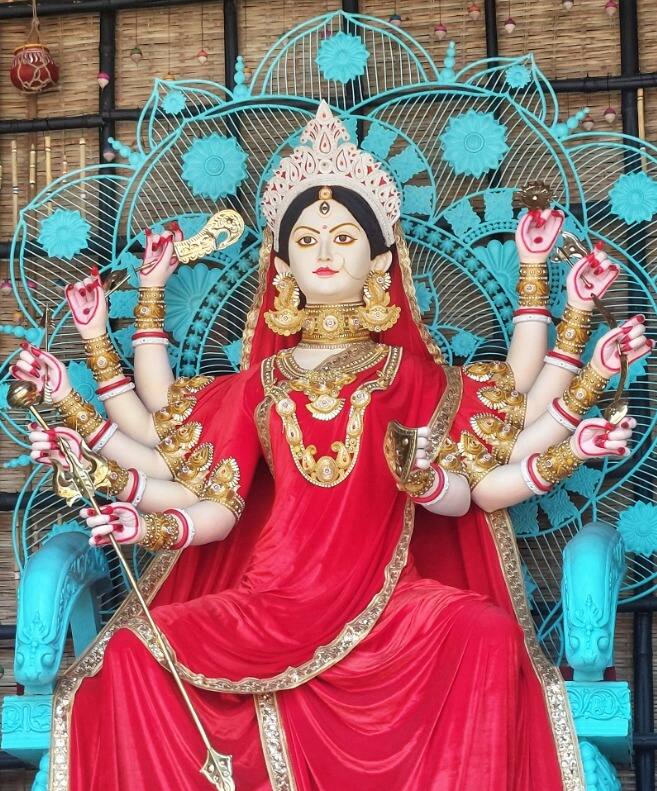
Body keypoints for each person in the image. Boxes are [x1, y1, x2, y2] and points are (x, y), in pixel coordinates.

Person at [13, 103, 651, 790]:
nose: (323, 252)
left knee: (486, 632)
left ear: (379, 260)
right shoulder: (261, 383)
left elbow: (504, 432)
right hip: (267, 602)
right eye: (307, 238)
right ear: (281, 261)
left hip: (386, 610)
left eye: (343, 237)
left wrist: (565, 346)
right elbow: (192, 473)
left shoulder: (405, 375)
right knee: (135, 649)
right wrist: (146, 518)